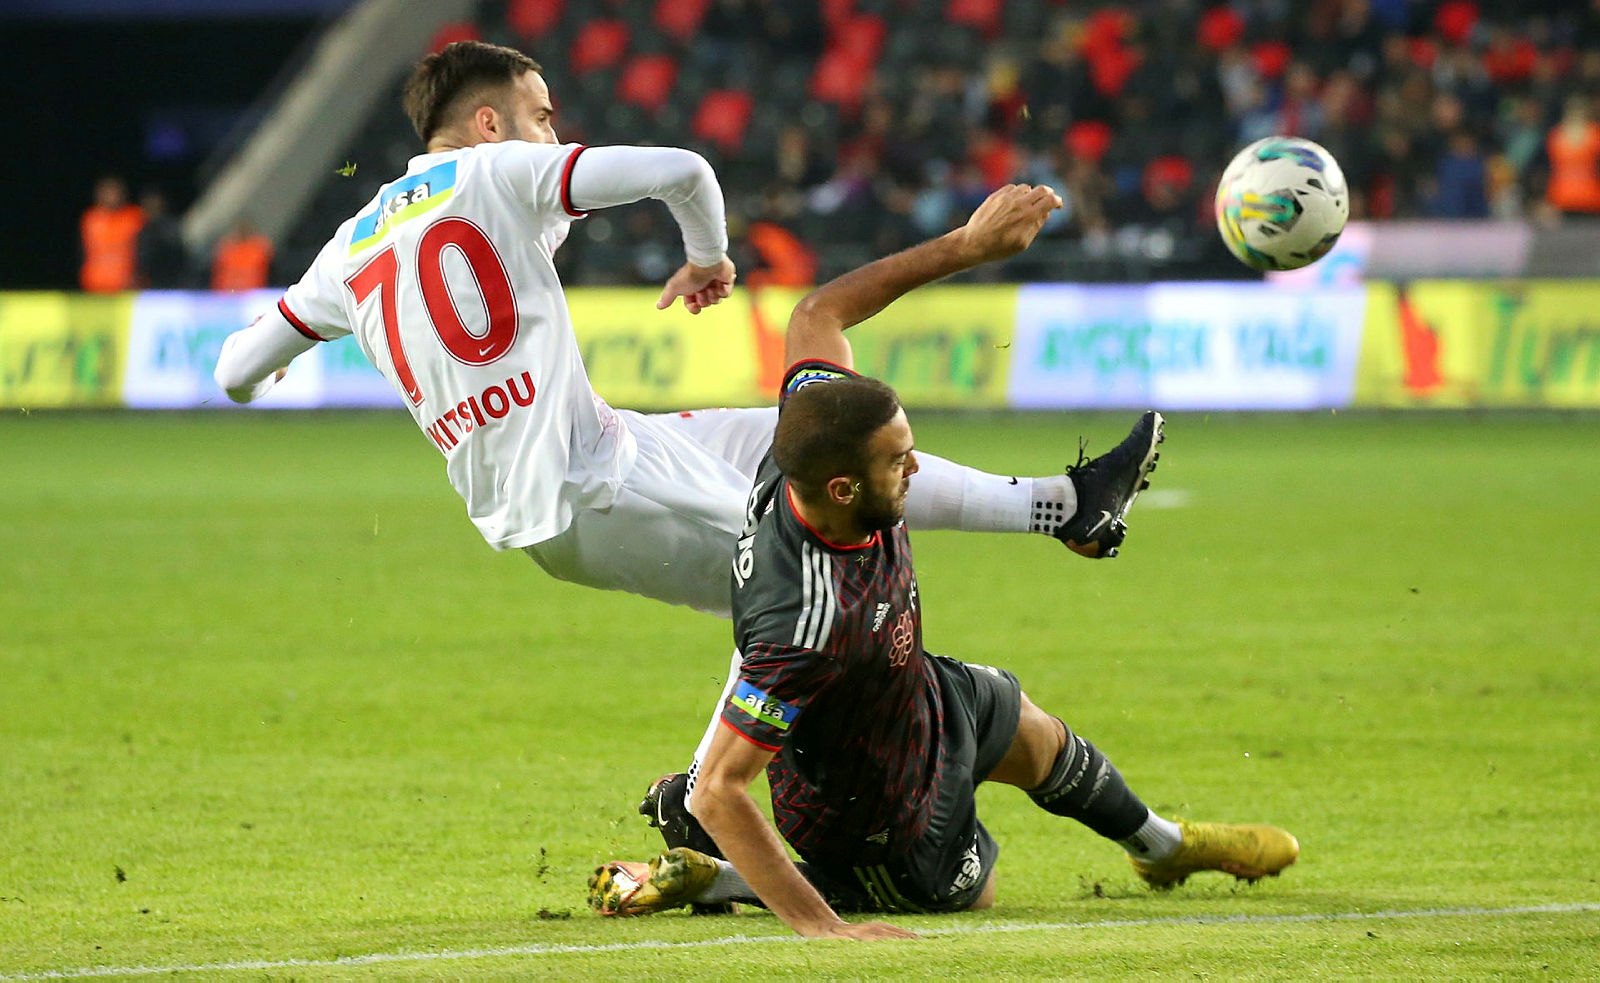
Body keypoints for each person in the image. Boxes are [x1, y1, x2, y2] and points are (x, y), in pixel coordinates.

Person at [211, 42, 1152, 808]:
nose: (554, 133)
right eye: (543, 116)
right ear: (489, 123)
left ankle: (1066, 505)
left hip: (600, 448)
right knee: (798, 586)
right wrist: (708, 258)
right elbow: (683, 169)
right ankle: (712, 804)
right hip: (587, 493)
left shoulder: (348, 245)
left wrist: (279, 366)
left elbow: (232, 368)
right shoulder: (498, 172)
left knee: (804, 434)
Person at [591, 186, 1298, 938]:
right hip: (876, 807)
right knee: (970, 891)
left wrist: (965, 247)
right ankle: (731, 881)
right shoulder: (805, 617)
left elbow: (817, 315)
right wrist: (823, 932)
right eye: (898, 463)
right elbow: (719, 792)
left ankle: (1161, 847)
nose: (917, 471)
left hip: (912, 689)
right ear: (843, 488)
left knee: (1028, 725)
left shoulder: (809, 445)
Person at [80, 176, 145, 293]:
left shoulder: (134, 217)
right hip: (95, 284)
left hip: (127, 285)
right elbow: (82, 252)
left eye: (115, 192)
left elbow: (144, 251)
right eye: (107, 192)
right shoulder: (90, 219)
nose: (112, 196)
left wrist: (137, 276)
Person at [211, 218, 275, 291]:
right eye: (239, 229)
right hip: (227, 292)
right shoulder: (225, 248)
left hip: (253, 293)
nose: (242, 232)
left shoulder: (259, 247)